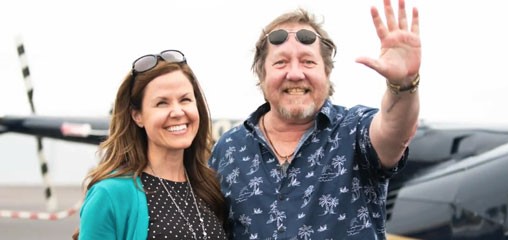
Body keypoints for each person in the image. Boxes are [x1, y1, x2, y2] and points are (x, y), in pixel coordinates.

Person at [209, 0, 420, 239]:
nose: (296, 74)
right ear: (262, 74)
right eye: (281, 62)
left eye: (308, 62)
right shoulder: (228, 149)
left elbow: (394, 130)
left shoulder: (355, 130)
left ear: (327, 73)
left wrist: (403, 86)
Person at [73, 50, 228, 239]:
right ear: (137, 116)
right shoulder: (110, 194)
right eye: (162, 103)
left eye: (185, 99)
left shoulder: (210, 188)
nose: (178, 112)